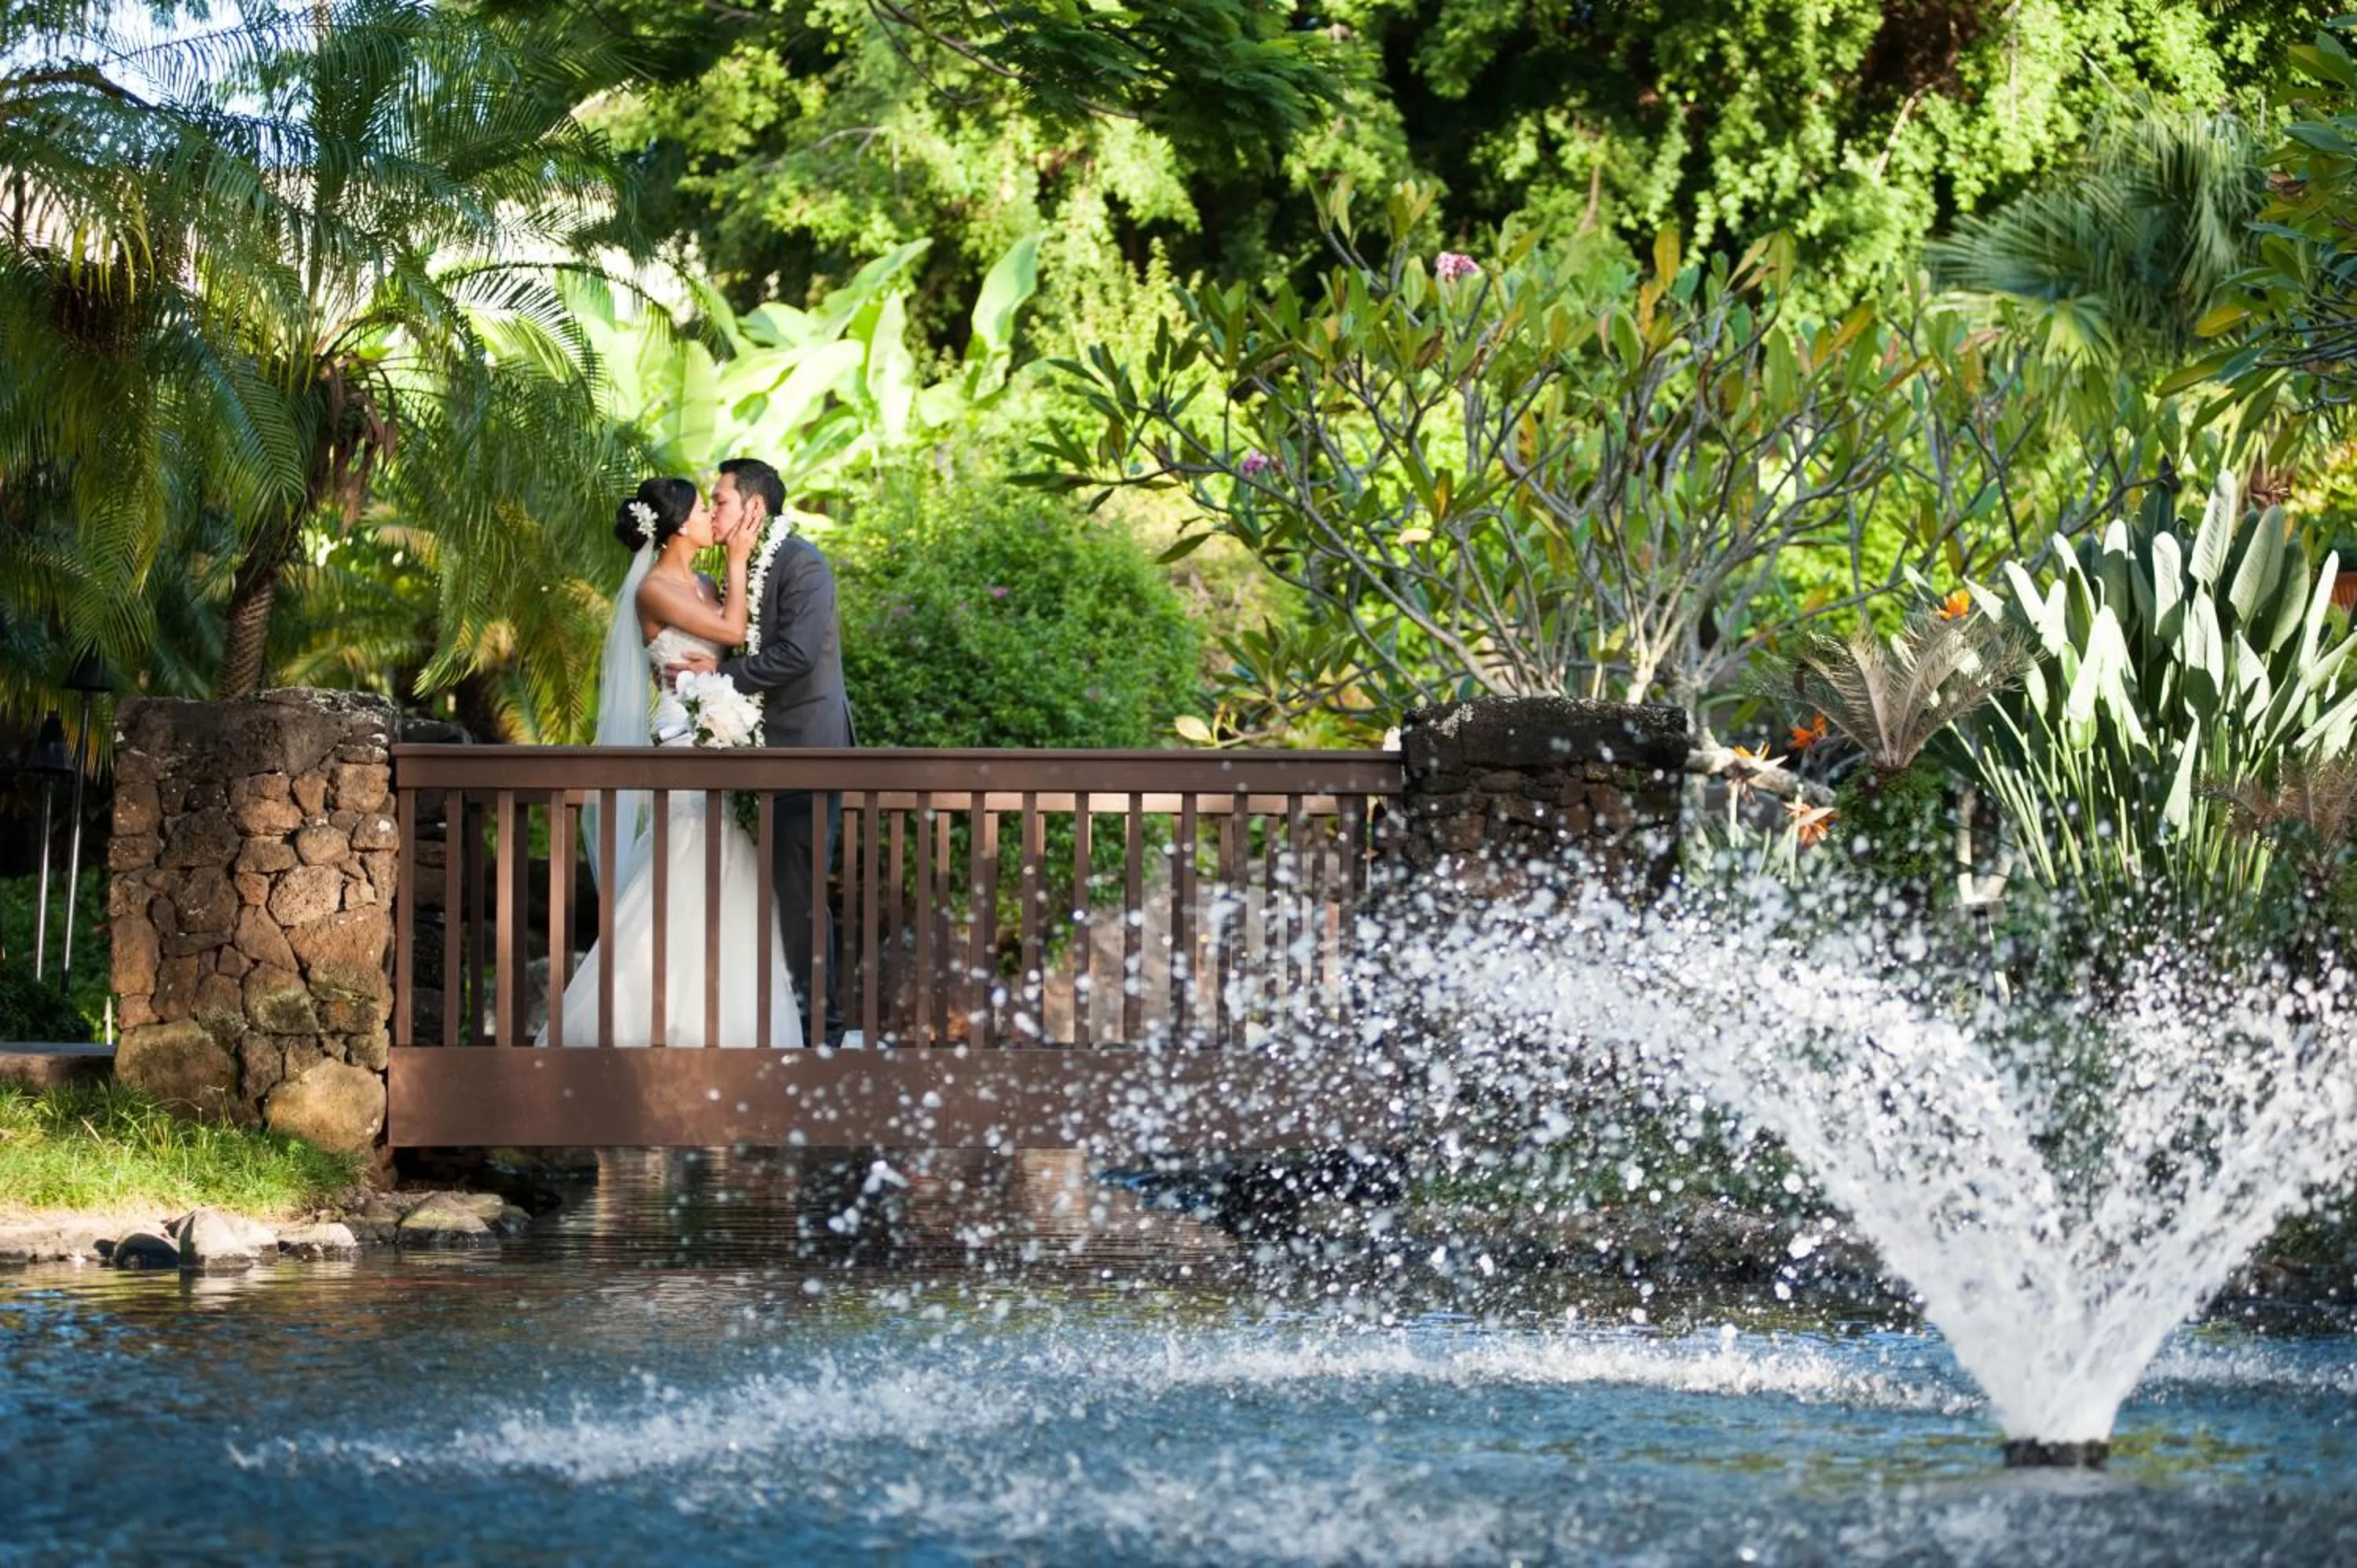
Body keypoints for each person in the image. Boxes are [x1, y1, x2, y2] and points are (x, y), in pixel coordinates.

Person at [537, 476, 802, 1050]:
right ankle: (650, 1018)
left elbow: (739, 640)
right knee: (683, 862)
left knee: (731, 867)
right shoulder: (654, 590)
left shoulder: (704, 583)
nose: (712, 517)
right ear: (680, 525)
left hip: (722, 735)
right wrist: (738, 557)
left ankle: (726, 1021)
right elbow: (730, 630)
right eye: (705, 509)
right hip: (683, 737)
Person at [669, 456, 856, 1045]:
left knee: (800, 893)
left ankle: (820, 1032)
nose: (713, 509)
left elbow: (797, 655)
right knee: (755, 890)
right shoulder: (736, 568)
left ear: (754, 506)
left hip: (807, 753)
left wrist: (721, 673)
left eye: (719, 499)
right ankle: (762, 1024)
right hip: (753, 756)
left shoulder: (803, 564)